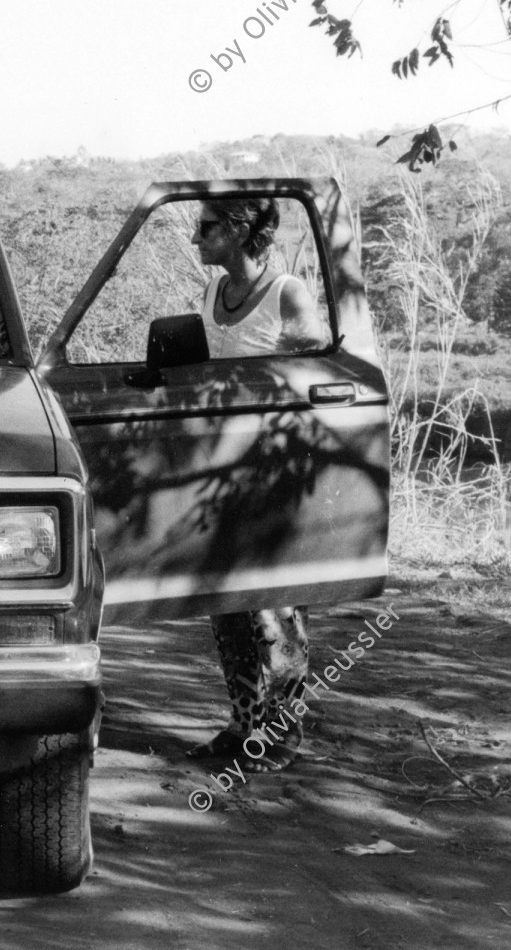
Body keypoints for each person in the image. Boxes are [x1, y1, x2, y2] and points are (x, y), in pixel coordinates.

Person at [185, 196, 329, 772]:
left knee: (272, 603)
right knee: (227, 604)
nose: (198, 239)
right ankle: (244, 726)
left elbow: (318, 358)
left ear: (240, 230)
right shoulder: (212, 293)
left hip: (269, 464)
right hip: (218, 468)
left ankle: (284, 732)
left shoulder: (286, 292)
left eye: (207, 228)